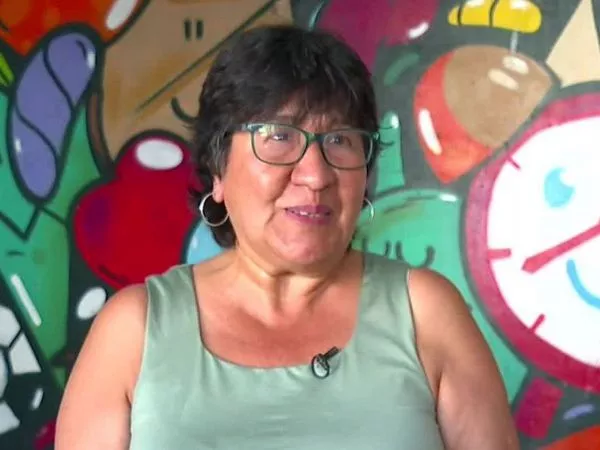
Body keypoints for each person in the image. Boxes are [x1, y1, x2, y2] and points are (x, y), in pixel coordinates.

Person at [56, 24, 518, 449]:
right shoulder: (134, 328)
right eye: (278, 137)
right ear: (218, 168)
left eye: (340, 140)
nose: (315, 175)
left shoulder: (426, 312)